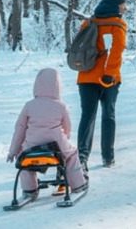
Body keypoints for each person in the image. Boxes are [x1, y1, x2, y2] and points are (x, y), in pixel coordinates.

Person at [7, 68, 88, 200]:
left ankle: (30, 190)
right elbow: (67, 128)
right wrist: (65, 139)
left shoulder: (29, 106)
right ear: (58, 87)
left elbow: (19, 130)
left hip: (31, 147)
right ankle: (78, 184)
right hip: (56, 147)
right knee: (72, 155)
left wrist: (13, 151)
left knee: (23, 159)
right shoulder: (61, 106)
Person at [77, 0, 128, 170]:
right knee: (109, 116)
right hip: (108, 79)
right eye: (123, 5)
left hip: (85, 77)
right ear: (116, 6)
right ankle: (108, 157)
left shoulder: (88, 22)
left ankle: (82, 157)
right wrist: (110, 72)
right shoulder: (117, 24)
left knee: (87, 116)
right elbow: (117, 49)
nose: (125, 9)